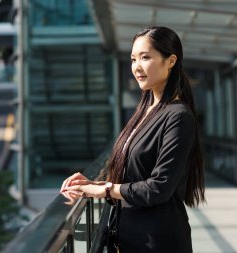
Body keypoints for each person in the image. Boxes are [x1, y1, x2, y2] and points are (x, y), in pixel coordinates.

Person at [60, 26, 206, 253]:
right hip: (128, 239)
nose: (137, 67)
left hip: (157, 243)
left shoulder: (178, 116)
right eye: (133, 59)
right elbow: (135, 177)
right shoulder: (145, 111)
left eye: (145, 57)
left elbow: (158, 188)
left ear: (171, 61)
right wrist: (94, 185)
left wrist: (105, 190)